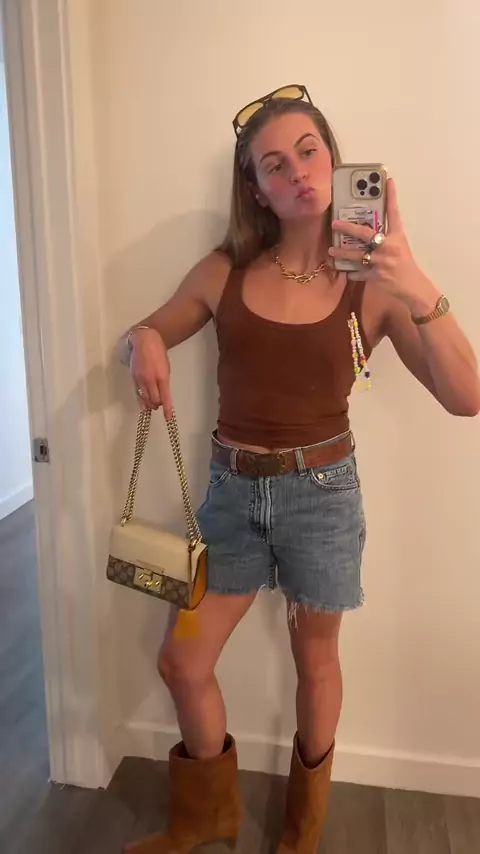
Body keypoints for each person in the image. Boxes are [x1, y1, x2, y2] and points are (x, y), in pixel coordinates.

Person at [119, 85, 480, 854]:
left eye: (308, 151)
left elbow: (467, 397)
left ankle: (300, 835)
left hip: (324, 496)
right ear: (256, 188)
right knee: (183, 662)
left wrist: (415, 281)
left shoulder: (374, 287)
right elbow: (150, 327)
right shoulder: (223, 271)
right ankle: (208, 815)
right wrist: (141, 340)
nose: (297, 172)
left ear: (334, 160)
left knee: (315, 666)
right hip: (230, 496)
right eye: (274, 164)